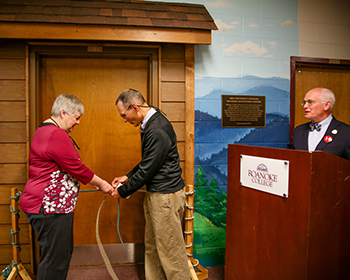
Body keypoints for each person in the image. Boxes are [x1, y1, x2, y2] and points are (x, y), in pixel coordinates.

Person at [20, 94, 114, 280]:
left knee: (59, 254)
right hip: (49, 206)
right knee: (55, 260)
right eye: (76, 118)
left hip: (49, 206)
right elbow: (77, 168)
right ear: (63, 113)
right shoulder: (56, 133)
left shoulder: (44, 129)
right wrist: (103, 184)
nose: (78, 123)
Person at [111, 88, 190, 280]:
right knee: (154, 247)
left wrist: (123, 191)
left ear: (135, 107)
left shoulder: (157, 128)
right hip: (156, 196)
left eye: (124, 115)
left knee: (171, 253)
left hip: (166, 198)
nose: (124, 119)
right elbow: (150, 160)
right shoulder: (149, 122)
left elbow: (147, 171)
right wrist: (128, 176)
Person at [288, 87, 350, 160]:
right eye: (304, 102)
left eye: (310, 102)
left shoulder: (346, 133)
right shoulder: (299, 131)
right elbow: (289, 158)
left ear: (326, 105)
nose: (305, 106)